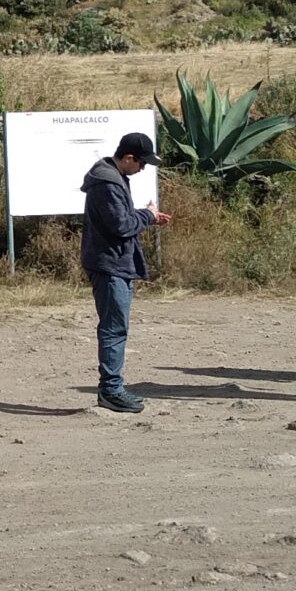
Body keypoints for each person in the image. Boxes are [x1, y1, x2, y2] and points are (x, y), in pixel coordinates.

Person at [80, 130, 172, 415]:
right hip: (109, 265)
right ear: (129, 158)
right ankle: (111, 391)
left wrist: (144, 216)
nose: (143, 168)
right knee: (113, 328)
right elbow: (121, 225)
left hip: (112, 263)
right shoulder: (107, 183)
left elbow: (120, 219)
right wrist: (147, 216)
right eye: (141, 162)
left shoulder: (112, 178)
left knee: (115, 327)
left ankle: (112, 388)